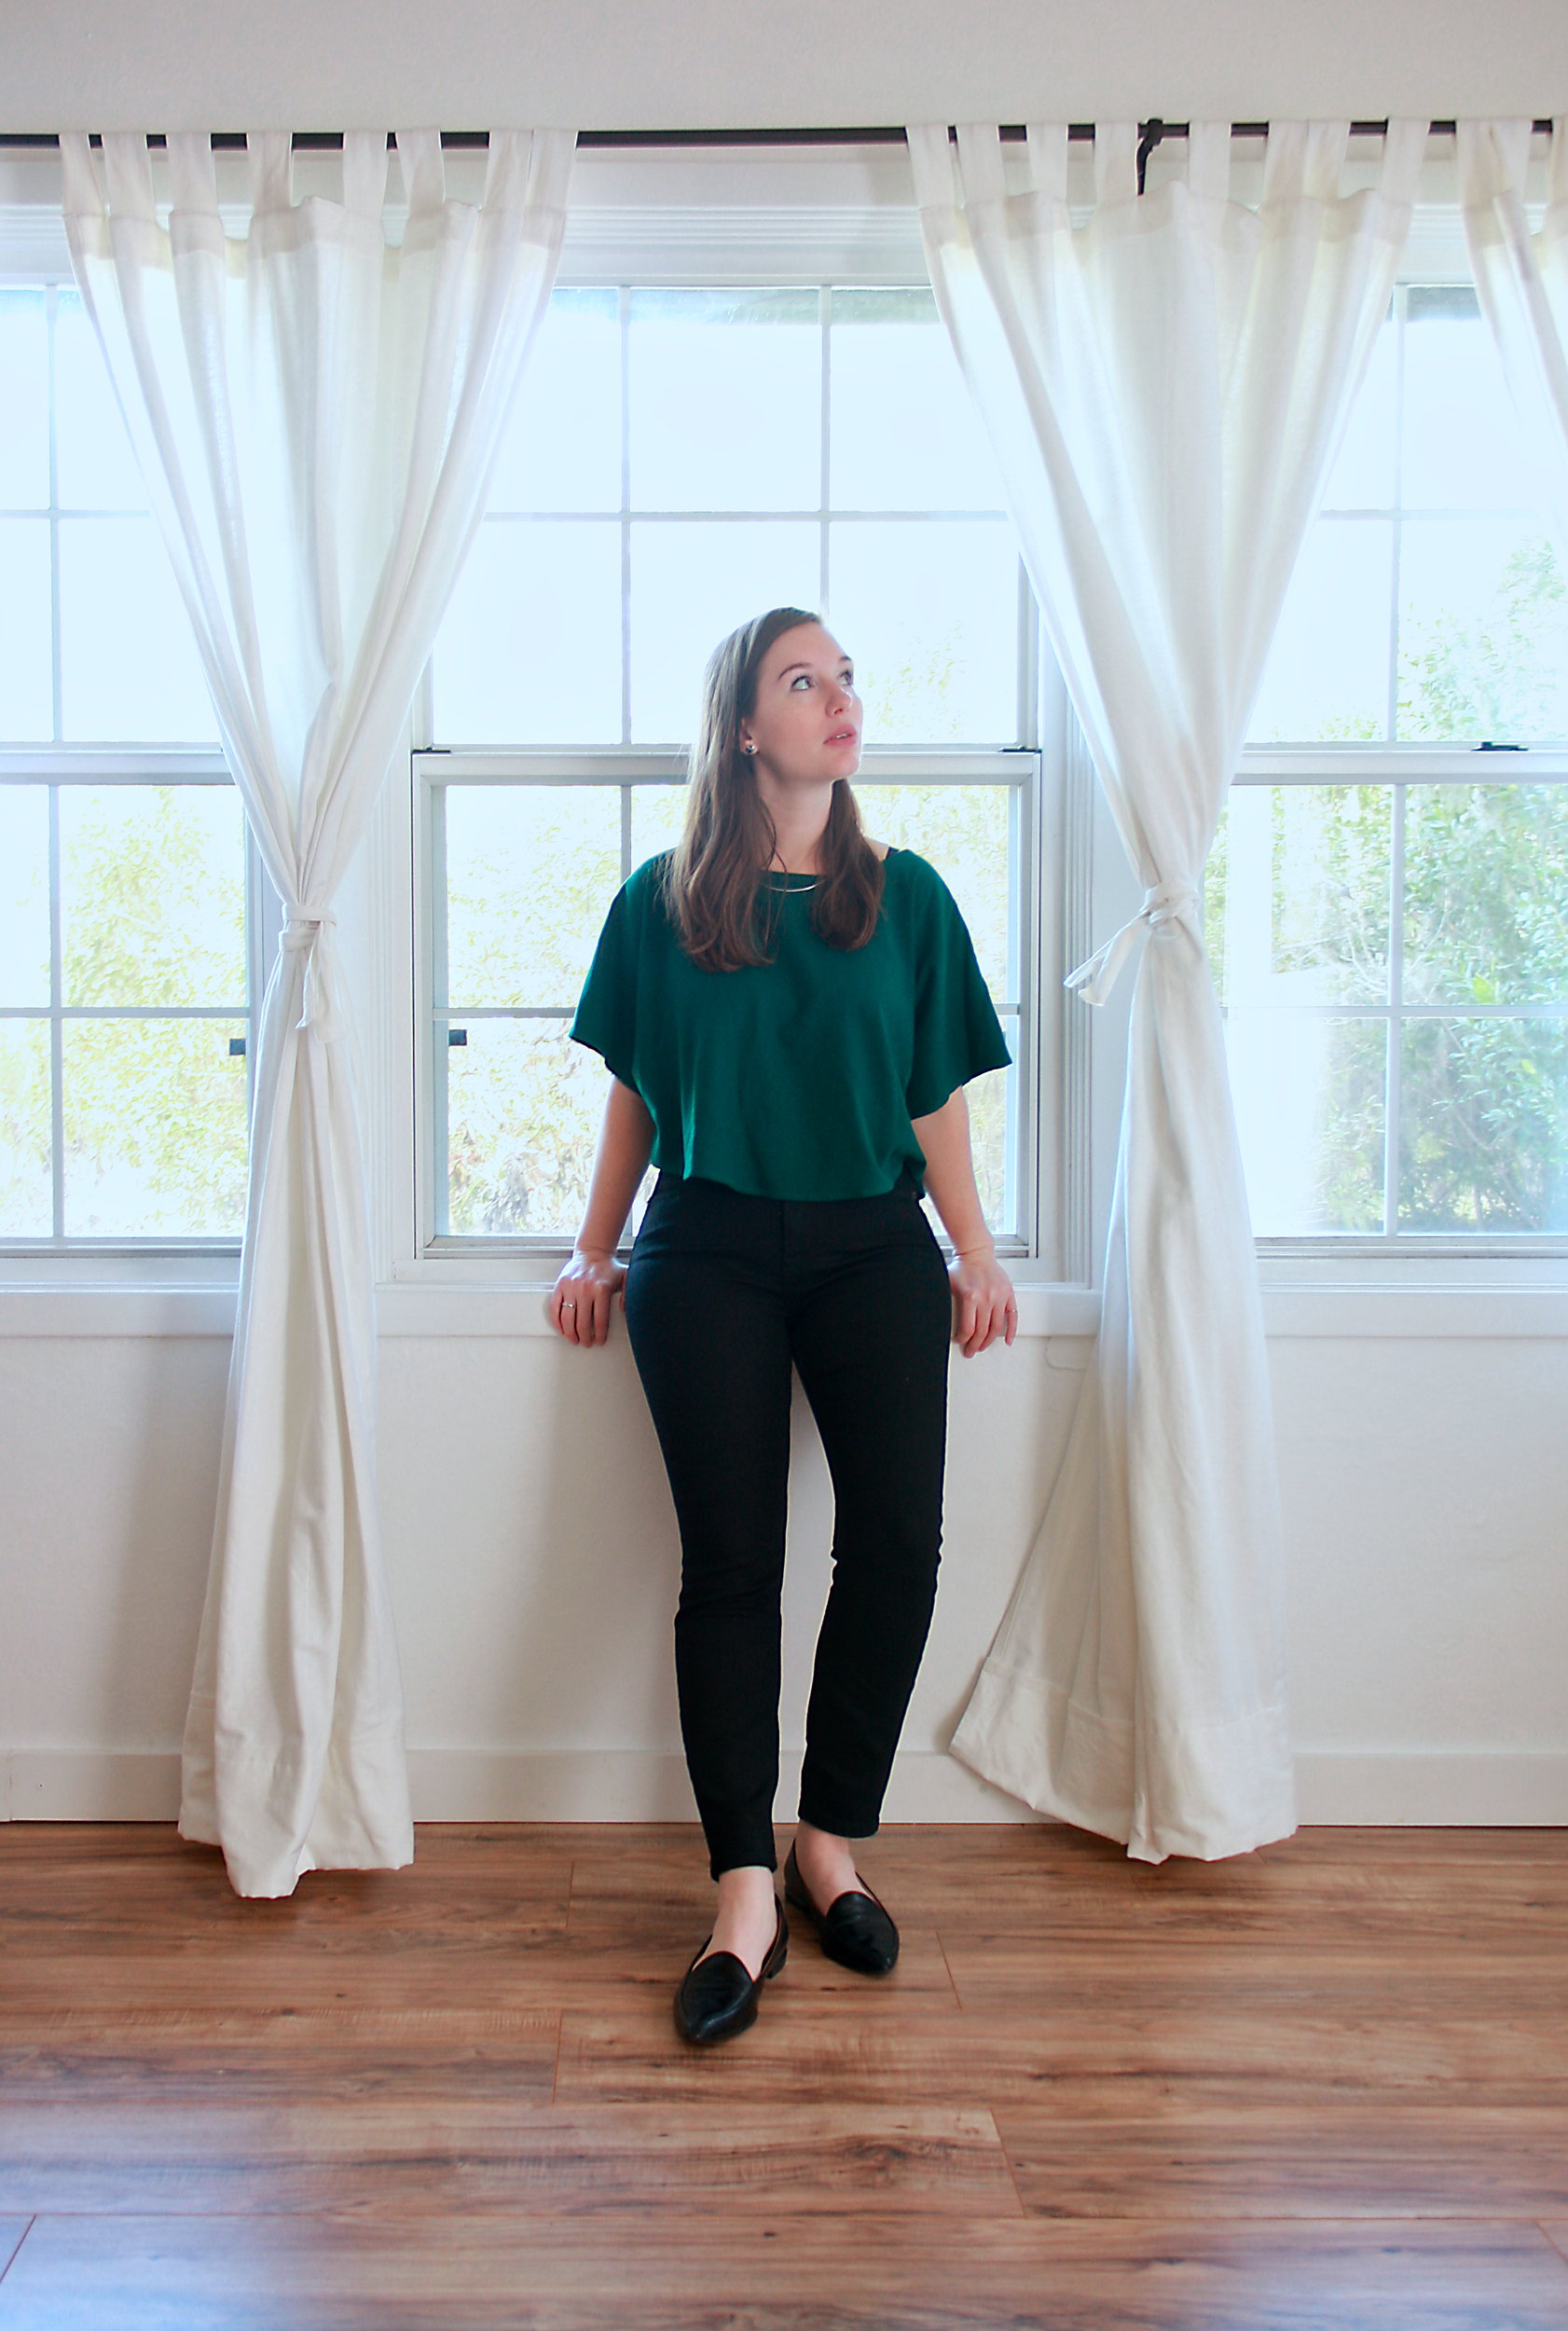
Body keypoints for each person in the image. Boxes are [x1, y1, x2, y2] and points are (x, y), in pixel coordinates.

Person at [547, 605, 1017, 2046]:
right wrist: (593, 1248)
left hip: (873, 1248)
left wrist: (972, 1248)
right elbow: (635, 1083)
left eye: (845, 678)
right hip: (708, 1251)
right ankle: (742, 1893)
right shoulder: (664, 900)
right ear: (745, 726)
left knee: (894, 1544)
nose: (838, 700)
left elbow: (930, 1091)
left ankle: (831, 1842)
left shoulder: (908, 896)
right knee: (731, 1566)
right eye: (801, 682)